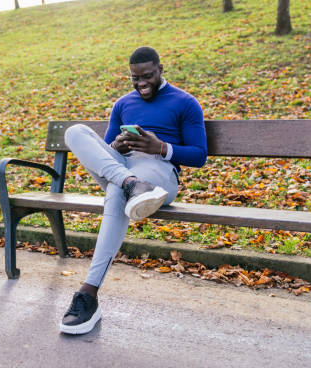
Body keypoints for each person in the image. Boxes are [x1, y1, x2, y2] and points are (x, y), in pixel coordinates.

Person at [59, 46, 208, 335]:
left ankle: (88, 294)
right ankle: (130, 184)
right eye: (135, 78)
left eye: (148, 76)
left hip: (159, 174)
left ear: (161, 70)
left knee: (115, 191)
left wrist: (161, 147)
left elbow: (199, 156)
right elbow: (103, 149)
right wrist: (117, 146)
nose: (141, 84)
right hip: (125, 168)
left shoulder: (185, 103)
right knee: (75, 131)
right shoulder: (122, 104)